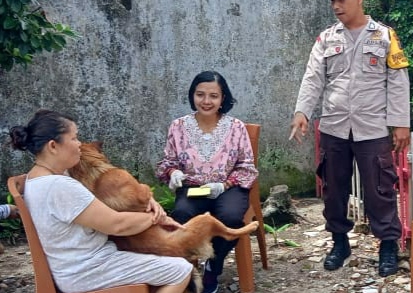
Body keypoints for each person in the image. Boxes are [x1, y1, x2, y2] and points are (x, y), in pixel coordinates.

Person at [289, 0, 411, 277]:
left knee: (380, 188)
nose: (336, 6)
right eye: (332, 0)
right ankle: (340, 243)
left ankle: (387, 247)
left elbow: (397, 82)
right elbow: (313, 77)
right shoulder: (327, 38)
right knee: (333, 189)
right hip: (334, 127)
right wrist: (302, 111)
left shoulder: (384, 36)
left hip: (372, 128)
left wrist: (400, 123)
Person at [9, 109, 193, 293]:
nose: (79, 144)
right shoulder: (59, 187)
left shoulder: (35, 179)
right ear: (53, 146)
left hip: (74, 267)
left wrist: (148, 200)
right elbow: (117, 225)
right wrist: (156, 217)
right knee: (181, 270)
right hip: (88, 269)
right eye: (74, 138)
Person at [156, 70, 258, 293]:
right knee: (181, 217)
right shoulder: (178, 127)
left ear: (223, 98)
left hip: (228, 187)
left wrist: (225, 184)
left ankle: (213, 265)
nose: (206, 101)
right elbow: (168, 161)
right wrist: (173, 173)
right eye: (200, 94)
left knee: (231, 218)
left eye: (213, 95)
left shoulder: (236, 127)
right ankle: (184, 273)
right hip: (192, 188)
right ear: (192, 95)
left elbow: (246, 167)